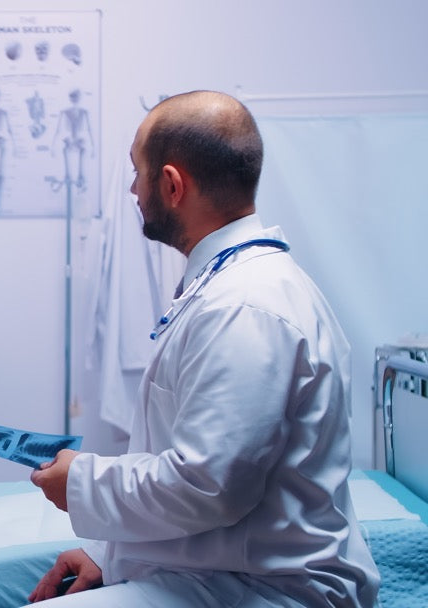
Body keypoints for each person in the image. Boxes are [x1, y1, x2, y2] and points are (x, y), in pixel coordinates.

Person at [28, 91, 380, 607]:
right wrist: (110, 551)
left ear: (171, 184)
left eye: (137, 173)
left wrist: (79, 481)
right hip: (223, 568)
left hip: (269, 590)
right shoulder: (226, 286)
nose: (132, 189)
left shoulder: (245, 307)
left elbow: (209, 484)